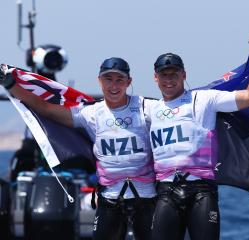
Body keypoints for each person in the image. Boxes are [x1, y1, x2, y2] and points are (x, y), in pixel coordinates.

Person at [0, 57, 157, 240]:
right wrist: (11, 85)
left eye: (119, 80)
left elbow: (180, 110)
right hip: (111, 199)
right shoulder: (90, 113)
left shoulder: (148, 107)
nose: (113, 85)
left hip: (146, 198)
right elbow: (46, 109)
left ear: (129, 82)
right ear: (99, 81)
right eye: (108, 79)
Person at [149, 38, 249, 240]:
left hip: (201, 192)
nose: (169, 79)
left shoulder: (205, 99)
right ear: (155, 78)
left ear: (184, 75)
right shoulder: (149, 109)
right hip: (166, 191)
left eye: (174, 74)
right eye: (164, 75)